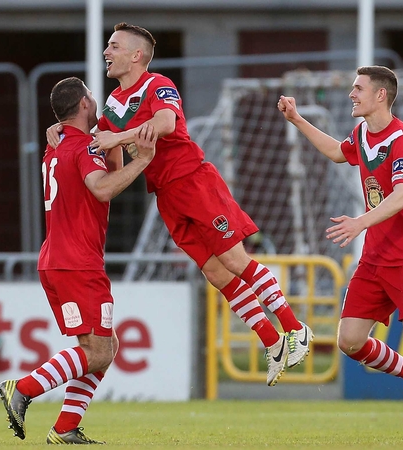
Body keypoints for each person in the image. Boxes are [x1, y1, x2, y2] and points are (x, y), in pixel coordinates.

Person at [47, 23, 312, 387]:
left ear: (136, 55)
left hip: (193, 181)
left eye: (113, 46)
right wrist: (61, 130)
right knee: (216, 274)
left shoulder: (157, 85)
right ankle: (274, 343)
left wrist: (118, 136)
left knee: (235, 260)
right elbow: (95, 141)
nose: (106, 53)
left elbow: (166, 123)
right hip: (166, 195)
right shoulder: (112, 103)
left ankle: (297, 329)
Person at [0, 77, 157, 444]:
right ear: (85, 104)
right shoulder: (81, 147)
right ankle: (22, 388)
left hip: (58, 259)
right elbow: (103, 188)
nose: (95, 97)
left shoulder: (56, 146)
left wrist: (114, 139)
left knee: (106, 347)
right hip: (76, 263)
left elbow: (108, 167)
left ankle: (65, 427)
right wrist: (144, 160)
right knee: (98, 351)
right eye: (90, 93)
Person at [278, 66, 403, 427]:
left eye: (358, 88)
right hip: (374, 258)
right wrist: (297, 118)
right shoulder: (362, 132)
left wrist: (360, 222)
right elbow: (335, 151)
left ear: (380, 95)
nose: (351, 94)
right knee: (350, 340)